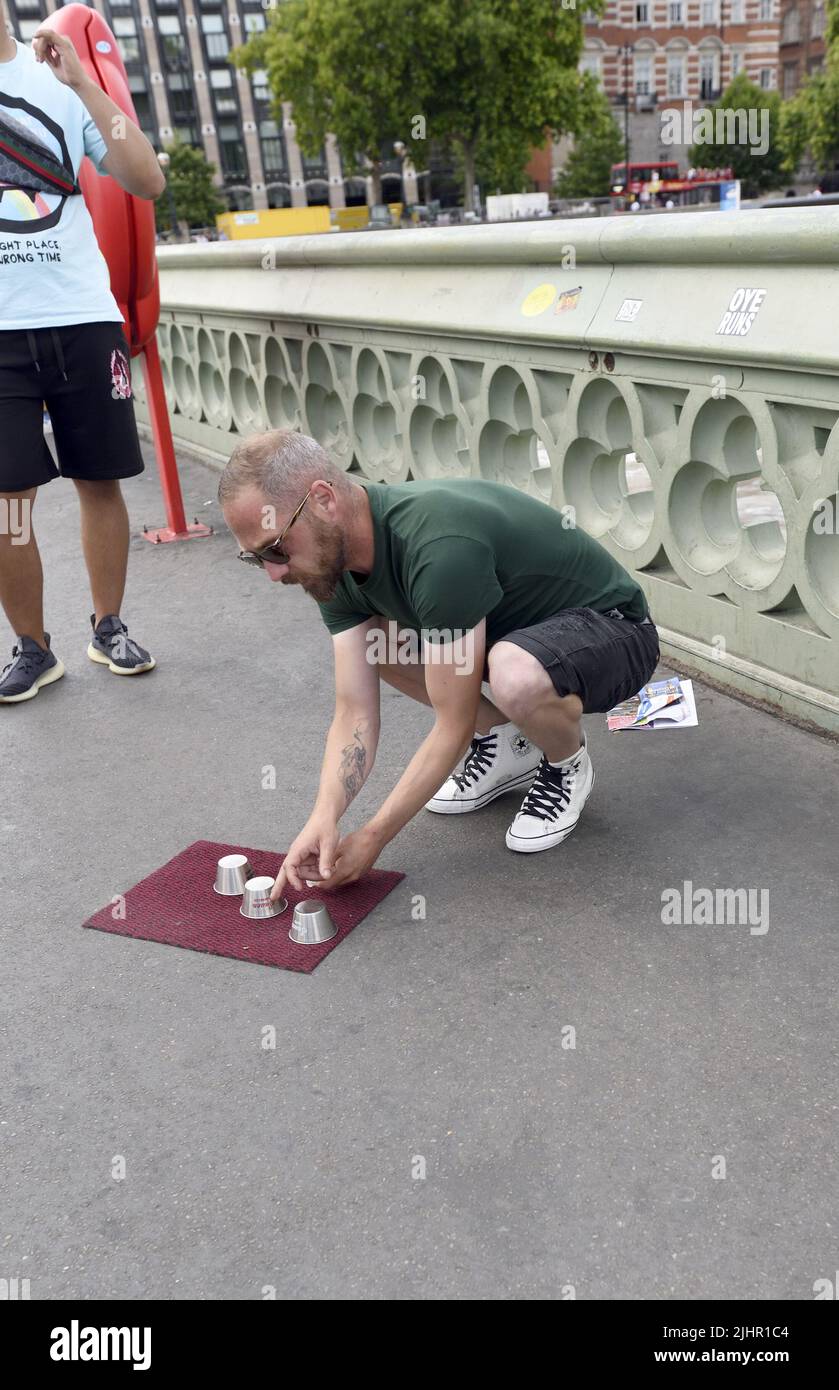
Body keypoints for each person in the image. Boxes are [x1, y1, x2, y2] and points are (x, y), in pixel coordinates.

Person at [219, 430, 660, 892]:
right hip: (515, 639)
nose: (273, 573)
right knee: (378, 648)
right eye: (255, 560)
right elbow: (354, 710)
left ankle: (566, 761)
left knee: (515, 675)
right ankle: (509, 743)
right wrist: (324, 818)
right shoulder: (331, 562)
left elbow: (453, 723)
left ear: (324, 500)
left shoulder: (436, 548)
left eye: (275, 548)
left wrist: (372, 838)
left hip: (616, 632)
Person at [0, 15, 164, 703]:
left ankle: (109, 626)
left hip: (82, 317)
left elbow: (146, 179)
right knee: (8, 502)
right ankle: (33, 648)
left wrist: (87, 86)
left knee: (99, 479)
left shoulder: (57, 80)